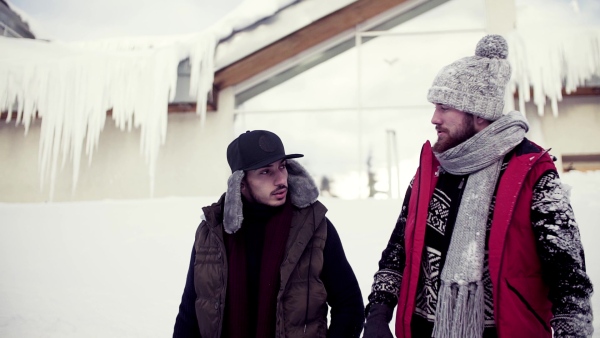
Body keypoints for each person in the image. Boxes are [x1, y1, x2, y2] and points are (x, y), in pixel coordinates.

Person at [362, 35, 593, 338]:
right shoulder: (431, 171)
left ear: (480, 115)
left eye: (445, 107)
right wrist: (378, 313)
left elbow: (569, 278)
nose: (435, 118)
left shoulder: (533, 175)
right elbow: (397, 251)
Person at [173, 130, 365, 338]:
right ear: (241, 182)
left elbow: (349, 306)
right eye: (265, 172)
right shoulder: (211, 233)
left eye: (282, 167)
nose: (280, 179)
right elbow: (190, 314)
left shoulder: (315, 228)